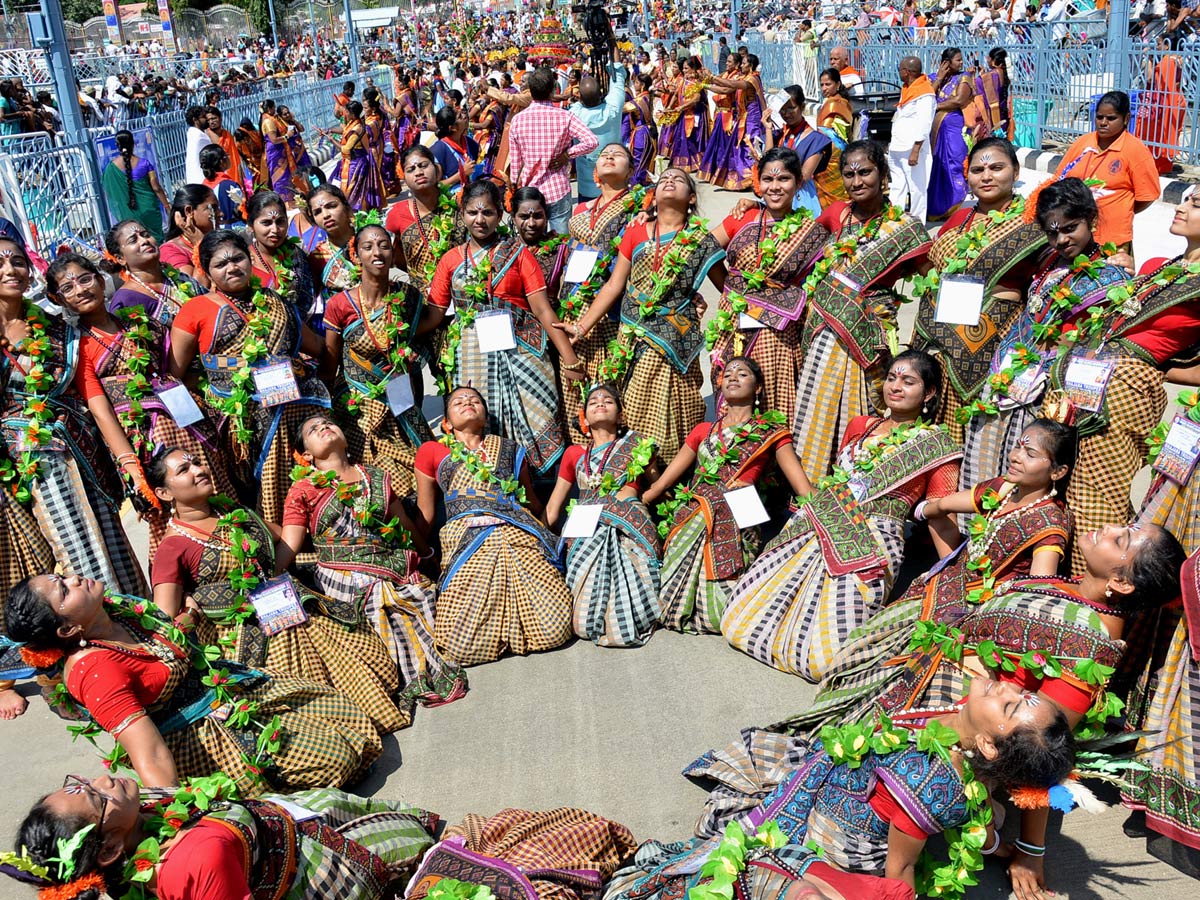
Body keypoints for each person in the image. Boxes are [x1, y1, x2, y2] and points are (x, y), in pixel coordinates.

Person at [612, 676, 1074, 897]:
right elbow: (977, 820)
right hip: (851, 788)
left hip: (840, 839)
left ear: (989, 747)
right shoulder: (960, 739)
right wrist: (1010, 850)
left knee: (728, 850)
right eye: (1024, 695)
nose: (1010, 689)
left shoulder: (927, 783)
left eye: (1013, 708)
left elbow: (900, 869)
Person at [775, 417, 1075, 734]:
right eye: (1018, 446)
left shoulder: (1049, 525)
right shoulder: (1003, 489)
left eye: (1030, 454)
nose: (1016, 456)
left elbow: (1036, 594)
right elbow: (943, 504)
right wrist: (922, 512)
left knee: (900, 675)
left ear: (1057, 472)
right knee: (863, 645)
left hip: (978, 613)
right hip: (941, 586)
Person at [5, 573, 384, 793]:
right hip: (200, 740)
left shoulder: (115, 609)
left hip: (222, 694)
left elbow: (168, 639)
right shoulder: (94, 673)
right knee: (338, 757)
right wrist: (177, 821)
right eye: (64, 589)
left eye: (63, 575)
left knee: (345, 715)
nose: (74, 577)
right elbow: (149, 755)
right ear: (68, 628)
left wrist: (189, 617)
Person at [722, 351, 962, 679]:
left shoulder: (937, 446)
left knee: (824, 661)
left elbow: (939, 515)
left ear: (929, 393)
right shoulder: (861, 425)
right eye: (892, 378)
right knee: (736, 622)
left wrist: (954, 573)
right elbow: (840, 480)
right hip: (821, 522)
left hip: (872, 542)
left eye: (908, 381)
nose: (896, 386)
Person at [147, 446, 409, 737]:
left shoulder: (233, 512)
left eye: (197, 462)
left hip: (290, 608)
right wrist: (193, 609)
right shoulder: (171, 548)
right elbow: (165, 621)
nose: (198, 470)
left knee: (373, 666)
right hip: (248, 638)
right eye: (184, 470)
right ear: (164, 493)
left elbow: (285, 537)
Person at [1047, 188, 1200, 574]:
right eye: (1186, 199)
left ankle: (1100, 592)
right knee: (1069, 487)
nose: (1180, 205)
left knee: (1097, 498)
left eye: (1195, 204)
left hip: (1123, 394)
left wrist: (1148, 367)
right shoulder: (1167, 266)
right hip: (1092, 384)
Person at [282, 414, 468, 707]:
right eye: (313, 430)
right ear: (306, 454)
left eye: (329, 423)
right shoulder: (303, 489)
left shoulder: (376, 476)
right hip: (340, 572)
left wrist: (427, 554)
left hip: (388, 560)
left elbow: (403, 523)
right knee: (374, 599)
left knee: (424, 596)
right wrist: (266, 576)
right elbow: (290, 544)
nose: (325, 428)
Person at [7, 775, 437, 900]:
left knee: (370, 808)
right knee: (422, 843)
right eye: (97, 798)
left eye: (81, 783)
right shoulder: (198, 860)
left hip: (291, 817)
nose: (105, 780)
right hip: (320, 871)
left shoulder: (135, 818)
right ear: (110, 850)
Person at [960, 177, 1130, 492]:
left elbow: (1099, 341)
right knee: (986, 460)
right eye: (1052, 233)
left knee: (1028, 470)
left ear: (1091, 220)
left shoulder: (1111, 277)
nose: (1062, 239)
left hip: (1049, 388)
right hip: (1011, 375)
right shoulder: (1048, 260)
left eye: (1070, 228)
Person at [0, 237, 147, 599]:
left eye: (17, 261)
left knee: (111, 540)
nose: (10, 270)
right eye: (0, 264)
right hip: (25, 463)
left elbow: (91, 396)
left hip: (80, 449)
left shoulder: (56, 330)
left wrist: (129, 463)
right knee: (69, 552)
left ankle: (132, 619)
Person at [54, 254, 230, 552]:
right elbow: (101, 410)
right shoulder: (77, 347)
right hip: (145, 440)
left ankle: (238, 554)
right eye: (68, 288)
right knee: (172, 512)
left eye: (85, 279)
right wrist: (132, 468)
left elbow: (178, 366)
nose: (81, 290)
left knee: (214, 488)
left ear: (100, 279)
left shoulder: (137, 321)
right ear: (58, 299)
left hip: (185, 421)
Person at [559, 168, 726, 461]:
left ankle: (674, 472)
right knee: (633, 404)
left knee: (677, 405)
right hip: (632, 336)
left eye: (679, 179)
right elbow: (614, 285)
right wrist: (581, 327)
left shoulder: (700, 240)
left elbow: (727, 287)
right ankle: (637, 471)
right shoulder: (636, 231)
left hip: (676, 338)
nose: (670, 181)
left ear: (691, 198)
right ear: (654, 196)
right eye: (664, 180)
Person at [169, 230, 330, 525]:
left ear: (249, 258)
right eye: (221, 264)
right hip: (240, 422)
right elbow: (175, 374)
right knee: (259, 492)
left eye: (238, 258)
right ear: (206, 270)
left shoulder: (274, 301)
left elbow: (316, 346)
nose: (232, 267)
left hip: (297, 407)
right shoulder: (196, 310)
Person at [421, 180, 578, 478]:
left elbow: (542, 308)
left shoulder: (519, 254)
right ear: (462, 213)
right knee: (479, 417)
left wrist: (569, 358)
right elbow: (434, 314)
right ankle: (491, 482)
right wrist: (399, 334)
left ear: (499, 216)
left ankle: (536, 483)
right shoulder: (451, 260)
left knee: (540, 409)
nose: (480, 220)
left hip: (522, 348)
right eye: (472, 213)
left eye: (488, 213)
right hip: (472, 352)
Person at [792, 140, 930, 479]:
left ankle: (854, 477)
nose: (857, 181)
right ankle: (810, 482)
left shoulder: (905, 228)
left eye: (865, 172)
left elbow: (933, 278)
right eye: (849, 174)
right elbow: (794, 235)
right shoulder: (836, 213)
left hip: (868, 330)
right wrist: (755, 206)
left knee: (865, 402)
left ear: (883, 175)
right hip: (825, 328)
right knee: (817, 405)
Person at [644, 357, 812, 634]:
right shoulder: (702, 430)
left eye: (743, 374)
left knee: (719, 614)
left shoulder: (772, 433)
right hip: (694, 511)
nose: (733, 377)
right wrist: (641, 500)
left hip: (740, 513)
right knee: (669, 601)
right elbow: (663, 483)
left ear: (758, 388)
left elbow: (802, 488)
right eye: (728, 373)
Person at [415, 386, 573, 666]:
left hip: (516, 534)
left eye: (474, 400)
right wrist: (420, 554)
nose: (467, 402)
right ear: (446, 423)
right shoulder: (432, 451)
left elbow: (532, 504)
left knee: (556, 628)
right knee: (459, 647)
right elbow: (426, 513)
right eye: (458, 402)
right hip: (466, 540)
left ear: (486, 418)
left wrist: (555, 530)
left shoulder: (510, 449)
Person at [912, 137, 1047, 444]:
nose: (986, 176)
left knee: (981, 431)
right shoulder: (960, 217)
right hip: (941, 340)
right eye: (978, 169)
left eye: (997, 167)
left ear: (1015, 172)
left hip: (992, 342)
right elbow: (933, 269)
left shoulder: (1032, 222)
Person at [708, 149, 829, 418]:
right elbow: (705, 250)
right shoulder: (744, 218)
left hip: (779, 333)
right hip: (735, 325)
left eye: (783, 179)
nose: (774, 187)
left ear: (798, 183)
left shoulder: (812, 230)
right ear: (758, 183)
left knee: (776, 396)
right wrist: (729, 290)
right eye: (767, 180)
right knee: (733, 395)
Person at [544, 384, 661, 647]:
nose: (600, 403)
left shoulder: (638, 444)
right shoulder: (574, 454)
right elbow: (553, 507)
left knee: (637, 579)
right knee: (583, 614)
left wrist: (632, 501)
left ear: (621, 415)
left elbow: (657, 488)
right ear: (583, 418)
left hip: (629, 524)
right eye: (593, 401)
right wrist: (543, 538)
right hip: (585, 528)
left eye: (608, 400)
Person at [323, 223, 434, 495]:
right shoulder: (340, 305)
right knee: (375, 466)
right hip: (357, 399)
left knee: (421, 463)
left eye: (384, 245)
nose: (378, 253)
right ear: (356, 255)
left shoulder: (407, 295)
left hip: (400, 392)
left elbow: (423, 329)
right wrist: (324, 409)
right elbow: (331, 358)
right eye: (368, 247)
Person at [555, 145, 645, 442]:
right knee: (575, 379)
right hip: (574, 301)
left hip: (610, 307)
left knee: (608, 380)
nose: (609, 157)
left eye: (618, 154)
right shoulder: (582, 209)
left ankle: (613, 451)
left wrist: (647, 210)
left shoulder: (640, 204)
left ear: (631, 171)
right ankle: (582, 456)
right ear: (595, 173)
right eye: (604, 154)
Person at [1053, 90, 1160, 253]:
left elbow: (1147, 196)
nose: (1103, 122)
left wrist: (1120, 210)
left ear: (1126, 119)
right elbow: (1059, 178)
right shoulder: (1083, 142)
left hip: (1113, 239)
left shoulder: (1135, 150)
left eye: (1111, 118)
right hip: (1075, 236)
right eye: (1099, 117)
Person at [507, 66, 600, 233]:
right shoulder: (565, 116)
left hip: (530, 190)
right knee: (561, 241)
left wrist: (515, 189)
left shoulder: (518, 120)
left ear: (530, 90)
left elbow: (516, 164)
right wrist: (567, 155)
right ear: (552, 91)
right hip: (557, 188)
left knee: (534, 240)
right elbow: (592, 141)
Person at [105, 219, 204, 326]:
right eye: (133, 240)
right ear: (120, 258)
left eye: (146, 235)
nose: (144, 241)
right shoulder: (125, 301)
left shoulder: (178, 278)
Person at [246, 190, 317, 322]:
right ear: (251, 226)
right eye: (266, 223)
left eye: (280, 222)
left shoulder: (298, 256)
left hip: (304, 334)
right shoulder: (244, 262)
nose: (275, 230)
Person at [761, 85, 831, 217]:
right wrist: (768, 129)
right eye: (783, 109)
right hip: (777, 193)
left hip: (800, 197)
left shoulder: (816, 140)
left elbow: (803, 176)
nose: (786, 114)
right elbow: (767, 162)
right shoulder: (781, 135)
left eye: (791, 108)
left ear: (802, 107)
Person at [570, 63, 628, 202]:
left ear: (581, 98)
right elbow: (618, 75)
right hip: (614, 186)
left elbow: (578, 103)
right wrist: (612, 43)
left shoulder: (574, 114)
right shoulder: (612, 109)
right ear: (601, 94)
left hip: (586, 188)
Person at [888, 56, 936, 224]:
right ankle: (894, 221)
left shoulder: (924, 93)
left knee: (916, 189)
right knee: (897, 186)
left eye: (900, 69)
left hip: (911, 149)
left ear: (907, 72)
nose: (898, 72)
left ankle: (917, 224)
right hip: (897, 147)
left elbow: (925, 124)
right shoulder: (907, 88)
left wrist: (915, 150)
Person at [927, 47, 972, 220]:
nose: (961, 63)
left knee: (955, 163)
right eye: (958, 60)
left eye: (961, 59)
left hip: (954, 128)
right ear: (946, 62)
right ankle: (937, 208)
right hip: (935, 131)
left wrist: (936, 105)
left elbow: (959, 100)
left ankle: (954, 204)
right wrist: (938, 78)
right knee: (936, 166)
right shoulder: (933, 78)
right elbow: (927, 96)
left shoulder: (964, 77)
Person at [100, 130, 169, 242]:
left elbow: (110, 193)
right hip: (149, 211)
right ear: (133, 144)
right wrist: (167, 207)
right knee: (156, 240)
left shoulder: (110, 169)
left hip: (127, 213)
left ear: (117, 146)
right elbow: (156, 188)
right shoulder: (145, 164)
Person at [512, 186, 569, 301]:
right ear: (514, 218)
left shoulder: (561, 248)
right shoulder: (506, 250)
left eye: (537, 216)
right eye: (524, 217)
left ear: (546, 217)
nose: (531, 223)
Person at [158, 184, 218, 284]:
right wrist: (200, 244)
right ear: (189, 211)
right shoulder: (170, 250)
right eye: (213, 208)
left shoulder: (218, 237)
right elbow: (193, 288)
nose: (220, 213)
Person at [814, 67, 852, 209]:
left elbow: (827, 132)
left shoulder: (837, 104)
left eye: (828, 84)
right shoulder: (830, 102)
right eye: (822, 84)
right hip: (827, 151)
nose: (824, 88)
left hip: (832, 154)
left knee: (836, 189)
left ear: (838, 84)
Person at [430, 105, 479, 198]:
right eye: (460, 116)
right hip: (452, 201)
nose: (465, 116)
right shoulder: (439, 150)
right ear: (452, 128)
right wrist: (462, 174)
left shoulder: (471, 143)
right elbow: (437, 186)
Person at [259, 98, 297, 202]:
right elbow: (274, 140)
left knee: (285, 175)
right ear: (269, 108)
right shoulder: (268, 121)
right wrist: (287, 136)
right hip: (275, 152)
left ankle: (290, 197)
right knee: (280, 177)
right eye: (274, 108)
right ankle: (285, 200)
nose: (275, 110)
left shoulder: (270, 119)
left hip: (278, 151)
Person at [199, 144, 245, 226]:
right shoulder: (230, 186)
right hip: (231, 228)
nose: (229, 157)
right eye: (226, 155)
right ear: (221, 162)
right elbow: (242, 210)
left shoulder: (203, 187)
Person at [971, 47, 1011, 140]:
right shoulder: (1004, 74)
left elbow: (975, 87)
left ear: (994, 60)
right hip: (1002, 114)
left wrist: (972, 75)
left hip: (992, 118)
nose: (987, 60)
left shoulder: (991, 75)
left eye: (989, 58)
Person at [183, 105, 212, 185]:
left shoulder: (193, 134)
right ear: (195, 120)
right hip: (202, 180)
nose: (207, 119)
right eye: (203, 117)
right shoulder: (199, 137)